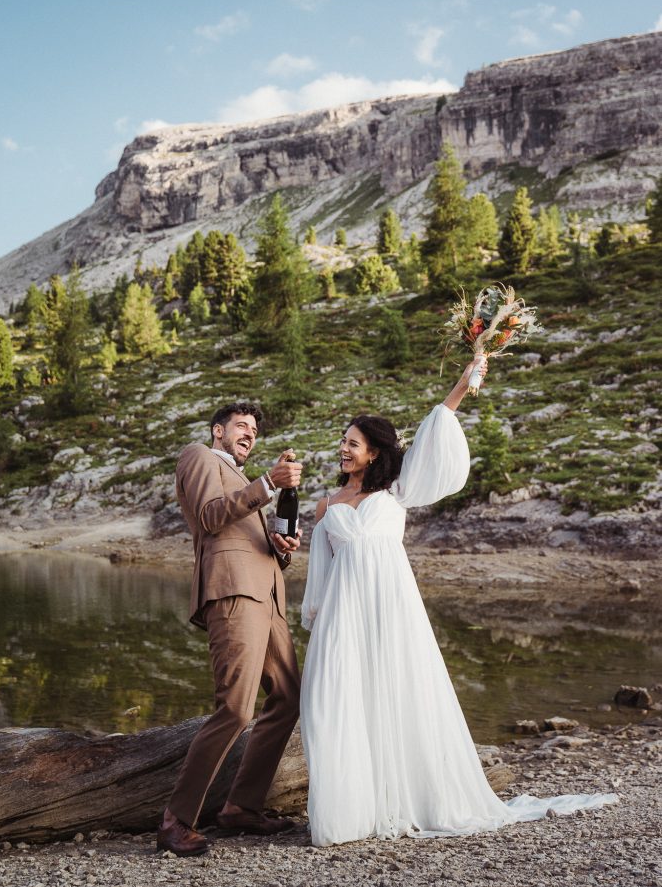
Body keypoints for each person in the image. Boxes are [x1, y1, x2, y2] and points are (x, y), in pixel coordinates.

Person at [300, 360, 617, 847]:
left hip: (392, 610)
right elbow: (319, 567)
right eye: (342, 442)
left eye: (352, 443)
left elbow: (433, 432)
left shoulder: (397, 492)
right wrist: (317, 616)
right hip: (344, 615)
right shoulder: (327, 506)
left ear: (375, 453)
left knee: (400, 693)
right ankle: (350, 811)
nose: (343, 449)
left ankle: (408, 797)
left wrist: (464, 384)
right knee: (337, 701)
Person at [157, 401, 303, 857]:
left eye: (254, 429)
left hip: (269, 597)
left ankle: (241, 806)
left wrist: (282, 548)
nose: (250, 433)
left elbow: (248, 539)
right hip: (234, 594)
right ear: (217, 430)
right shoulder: (197, 455)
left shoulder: (242, 479)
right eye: (241, 426)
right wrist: (268, 484)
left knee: (289, 697)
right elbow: (209, 516)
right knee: (236, 709)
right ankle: (175, 820)